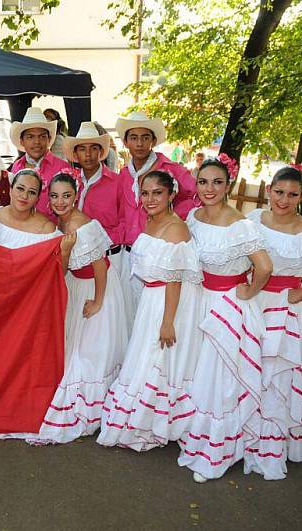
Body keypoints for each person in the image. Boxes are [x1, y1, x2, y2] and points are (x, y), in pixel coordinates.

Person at [7, 170, 129, 444]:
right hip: (75, 285)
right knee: (71, 347)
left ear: (76, 196)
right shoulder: (58, 224)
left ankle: (92, 407)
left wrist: (98, 302)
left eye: (66, 196)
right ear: (47, 199)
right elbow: (60, 270)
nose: (60, 201)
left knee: (88, 353)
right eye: (54, 196)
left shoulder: (81, 225)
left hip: (98, 290)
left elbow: (100, 266)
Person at [177, 156, 273, 483]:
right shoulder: (192, 217)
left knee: (218, 379)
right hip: (198, 301)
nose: (209, 188)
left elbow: (264, 267)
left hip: (227, 307)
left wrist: (248, 292)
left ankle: (215, 450)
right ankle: (194, 433)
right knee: (196, 370)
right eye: (204, 182)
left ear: (228, 185)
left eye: (217, 182)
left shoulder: (240, 225)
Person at [243, 165, 302, 480]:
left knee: (275, 375)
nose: (284, 200)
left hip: (284, 308)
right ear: (269, 190)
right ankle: (242, 437)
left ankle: (269, 444)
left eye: (292, 194)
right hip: (253, 300)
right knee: (249, 370)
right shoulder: (255, 219)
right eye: (279, 192)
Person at [97, 170, 203, 451]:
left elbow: (175, 280)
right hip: (151, 298)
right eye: (145, 193)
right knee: (143, 355)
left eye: (157, 193)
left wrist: (168, 322)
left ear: (170, 195)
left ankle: (154, 421)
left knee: (157, 358)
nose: (150, 198)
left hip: (169, 303)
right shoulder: (152, 222)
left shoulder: (176, 228)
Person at [115, 111, 197, 307]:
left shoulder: (169, 168)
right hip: (129, 253)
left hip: (157, 255)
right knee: (129, 313)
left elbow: (198, 195)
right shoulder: (124, 173)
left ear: (153, 140)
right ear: (126, 142)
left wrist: (172, 213)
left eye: (145, 138)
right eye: (134, 138)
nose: (140, 144)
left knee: (154, 310)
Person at [63, 121, 134, 326]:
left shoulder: (117, 182)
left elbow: (125, 221)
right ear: (75, 154)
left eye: (94, 148)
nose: (88, 154)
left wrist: (98, 242)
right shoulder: (70, 183)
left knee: (105, 318)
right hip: (75, 265)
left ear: (102, 152)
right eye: (83, 149)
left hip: (108, 259)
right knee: (77, 317)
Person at [9, 107, 73, 219]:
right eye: (30, 137)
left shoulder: (63, 168)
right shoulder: (16, 167)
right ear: (22, 141)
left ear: (49, 139)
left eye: (42, 136)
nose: (37, 142)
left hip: (53, 232)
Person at [0, 169, 64, 249]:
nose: (24, 196)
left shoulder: (47, 231)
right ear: (10, 190)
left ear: (37, 199)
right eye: (20, 189)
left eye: (32, 192)